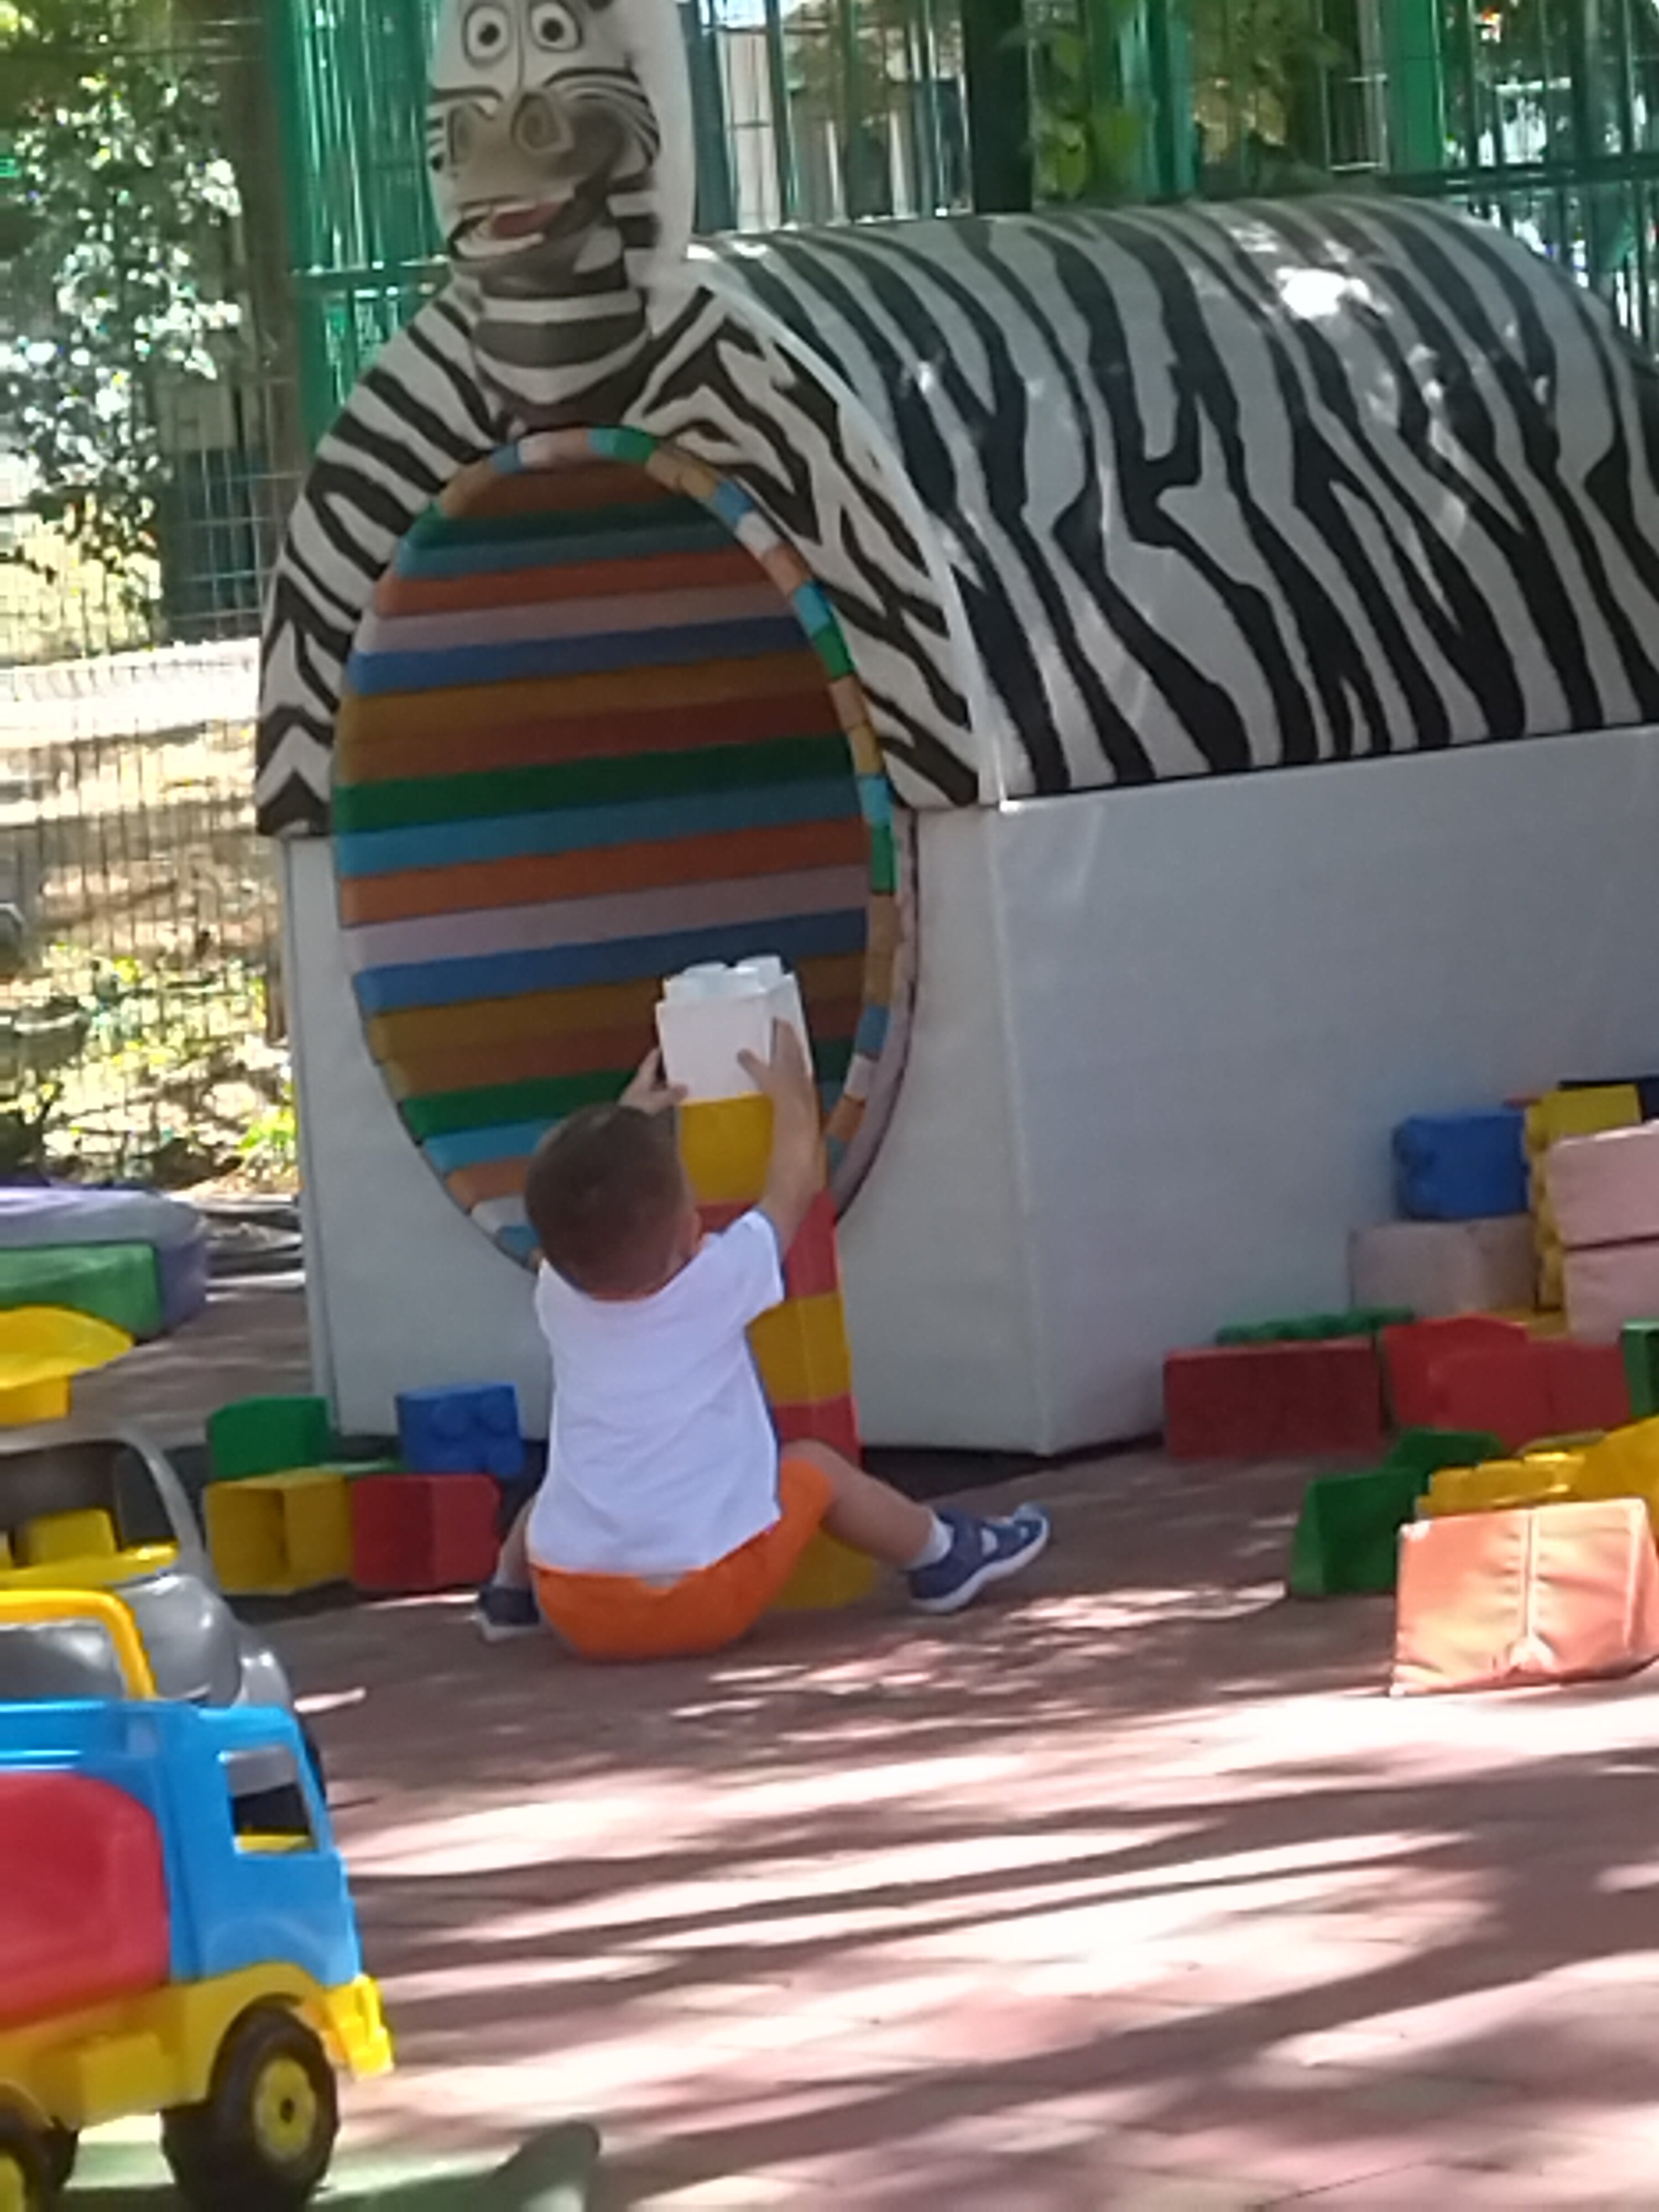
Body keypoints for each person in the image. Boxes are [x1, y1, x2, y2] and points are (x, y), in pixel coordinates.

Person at [473, 1021, 1049, 1655]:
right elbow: (791, 1191)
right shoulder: (714, 1283)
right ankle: (943, 1554)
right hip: (700, 1598)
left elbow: (590, 1207)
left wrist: (627, 1122)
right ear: (691, 1233)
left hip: (575, 1604)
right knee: (817, 1467)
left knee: (569, 1487)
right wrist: (796, 1100)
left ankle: (508, 1595)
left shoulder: (556, 1294)